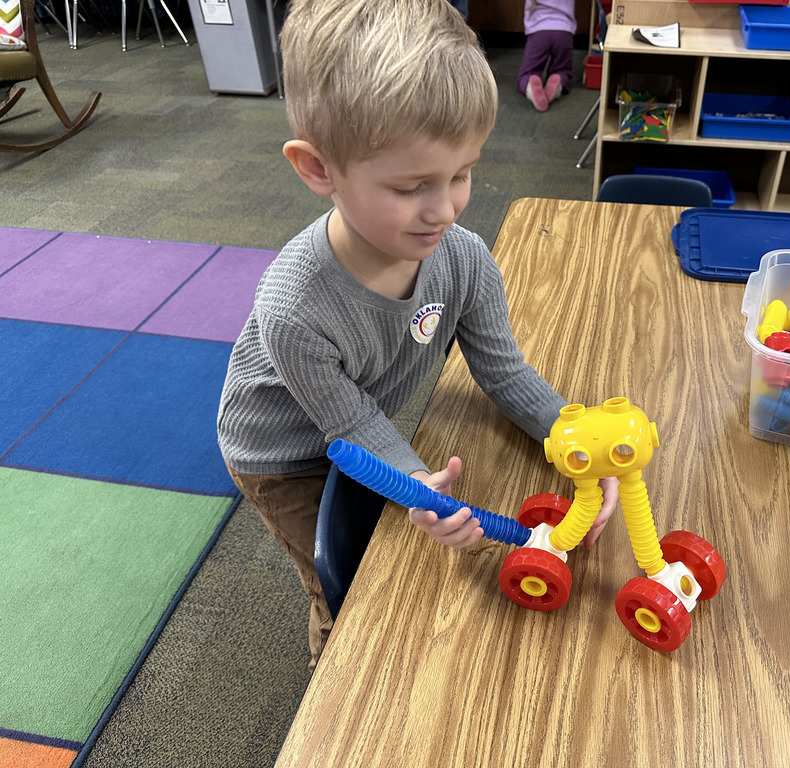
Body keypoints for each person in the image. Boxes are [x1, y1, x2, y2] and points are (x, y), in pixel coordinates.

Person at [217, 0, 618, 671]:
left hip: (363, 412)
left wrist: (572, 437)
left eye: (461, 173)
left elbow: (506, 373)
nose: (446, 208)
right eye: (411, 187)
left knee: (394, 546)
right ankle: (330, 658)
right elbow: (350, 426)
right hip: (281, 451)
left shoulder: (462, 259)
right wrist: (416, 485)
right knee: (340, 575)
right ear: (319, 170)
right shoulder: (292, 307)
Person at [516, 0, 577, 112]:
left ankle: (529, 84)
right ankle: (558, 84)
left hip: (539, 31)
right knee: (562, 70)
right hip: (564, 32)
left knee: (525, 74)